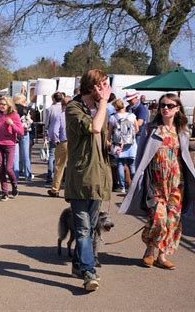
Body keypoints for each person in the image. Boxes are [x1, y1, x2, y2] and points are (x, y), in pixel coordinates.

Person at [119, 93, 195, 270]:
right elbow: (141, 157)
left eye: (170, 106)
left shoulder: (182, 131)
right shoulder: (151, 129)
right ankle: (149, 250)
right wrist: (137, 177)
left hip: (177, 183)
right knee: (158, 218)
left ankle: (162, 256)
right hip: (155, 182)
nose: (165, 108)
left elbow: (184, 156)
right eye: (162, 105)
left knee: (172, 221)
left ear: (178, 109)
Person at [65, 69, 112, 292]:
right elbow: (94, 128)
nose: (106, 89)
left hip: (99, 176)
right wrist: (103, 103)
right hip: (81, 177)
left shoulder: (101, 109)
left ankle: (77, 264)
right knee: (83, 229)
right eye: (103, 84)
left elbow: (103, 139)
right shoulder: (73, 108)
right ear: (92, 87)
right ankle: (88, 272)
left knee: (91, 227)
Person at [0, 96, 24, 202]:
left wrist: (12, 124)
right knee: (1, 169)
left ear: (9, 105)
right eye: (0, 104)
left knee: (9, 168)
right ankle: (4, 193)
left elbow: (21, 132)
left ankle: (14, 185)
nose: (1, 106)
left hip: (10, 145)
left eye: (3, 104)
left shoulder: (14, 115)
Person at [108, 99, 139, 193]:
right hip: (131, 144)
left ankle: (122, 187)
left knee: (120, 164)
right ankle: (134, 186)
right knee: (132, 165)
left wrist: (109, 142)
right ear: (124, 106)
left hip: (118, 144)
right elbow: (137, 129)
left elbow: (109, 133)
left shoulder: (113, 118)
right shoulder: (132, 116)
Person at [47, 95, 70, 197]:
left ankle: (55, 189)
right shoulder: (76, 115)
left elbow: (54, 131)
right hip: (75, 143)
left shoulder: (60, 116)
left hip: (63, 142)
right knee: (72, 167)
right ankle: (70, 190)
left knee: (59, 166)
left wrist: (56, 141)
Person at [12, 93, 34, 181]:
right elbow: (30, 121)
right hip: (24, 132)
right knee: (26, 155)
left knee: (15, 156)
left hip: (14, 133)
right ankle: (27, 175)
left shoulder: (12, 109)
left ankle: (15, 176)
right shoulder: (26, 109)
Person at [44, 92, 65, 183]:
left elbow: (46, 123)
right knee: (63, 157)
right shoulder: (64, 109)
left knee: (52, 155)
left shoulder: (50, 109)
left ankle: (50, 176)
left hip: (52, 134)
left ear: (53, 99)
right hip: (63, 134)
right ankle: (62, 176)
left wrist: (45, 134)